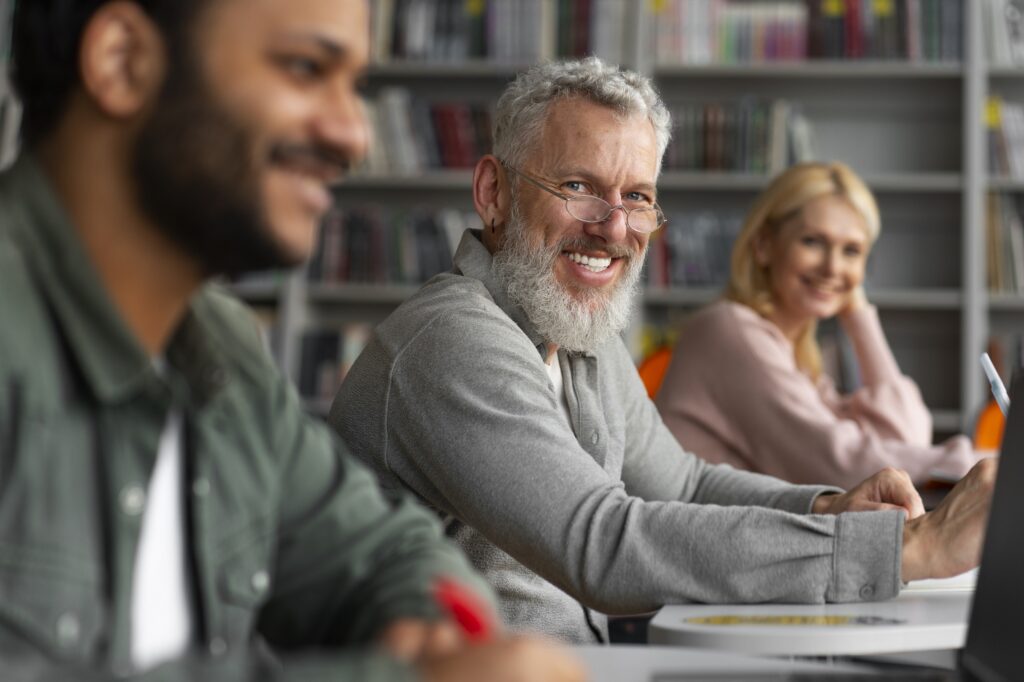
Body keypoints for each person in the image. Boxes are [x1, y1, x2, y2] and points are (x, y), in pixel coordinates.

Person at [0, 1, 585, 680]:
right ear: (123, 61)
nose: (352, 135)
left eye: (353, 86)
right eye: (305, 68)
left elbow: (388, 552)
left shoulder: (216, 350)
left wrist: (435, 632)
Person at [330, 57, 996, 644]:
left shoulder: (578, 332)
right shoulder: (452, 341)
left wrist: (825, 508)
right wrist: (907, 547)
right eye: (578, 187)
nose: (614, 227)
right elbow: (603, 544)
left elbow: (685, 484)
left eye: (638, 197)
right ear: (494, 193)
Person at [654, 162, 982, 489]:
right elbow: (842, 466)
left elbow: (907, 439)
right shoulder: (729, 331)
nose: (833, 267)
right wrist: (976, 464)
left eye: (851, 251)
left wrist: (858, 315)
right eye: (812, 241)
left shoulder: (797, 355)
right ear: (764, 245)